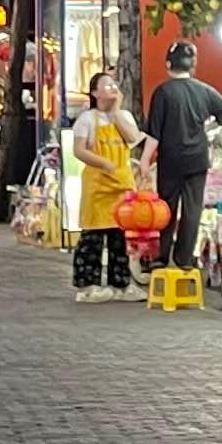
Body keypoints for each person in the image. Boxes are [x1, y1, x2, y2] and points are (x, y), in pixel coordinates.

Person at [141, 40, 222, 279]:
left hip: (171, 159)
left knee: (166, 207)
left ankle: (161, 257)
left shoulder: (163, 92)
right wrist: (206, 129)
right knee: (193, 208)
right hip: (197, 158)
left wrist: (145, 160)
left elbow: (154, 133)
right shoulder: (204, 90)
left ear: (168, 64)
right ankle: (184, 258)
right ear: (192, 64)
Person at [63, 67, 143, 299]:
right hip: (98, 186)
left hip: (122, 185)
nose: (113, 88)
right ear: (95, 93)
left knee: (120, 238)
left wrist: (116, 112)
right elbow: (79, 150)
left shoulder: (124, 116)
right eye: (107, 85)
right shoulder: (87, 119)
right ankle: (87, 287)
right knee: (93, 237)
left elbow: (132, 138)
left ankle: (121, 285)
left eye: (114, 84)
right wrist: (103, 163)